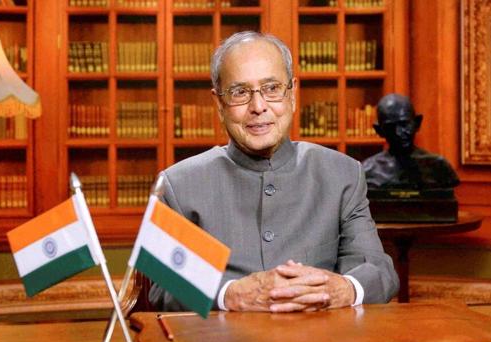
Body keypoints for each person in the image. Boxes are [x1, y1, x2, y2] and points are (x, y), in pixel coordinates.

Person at [149, 31, 399, 313]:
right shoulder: (177, 184)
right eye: (240, 92)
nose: (258, 107)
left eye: (271, 88)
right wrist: (230, 295)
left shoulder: (343, 174)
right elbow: (162, 288)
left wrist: (343, 288)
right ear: (219, 104)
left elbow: (378, 270)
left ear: (292, 94)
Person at [362, 94, 460, 190]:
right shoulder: (368, 171)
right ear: (379, 131)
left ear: (417, 123)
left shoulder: (439, 167)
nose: (398, 133)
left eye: (404, 125)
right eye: (390, 127)